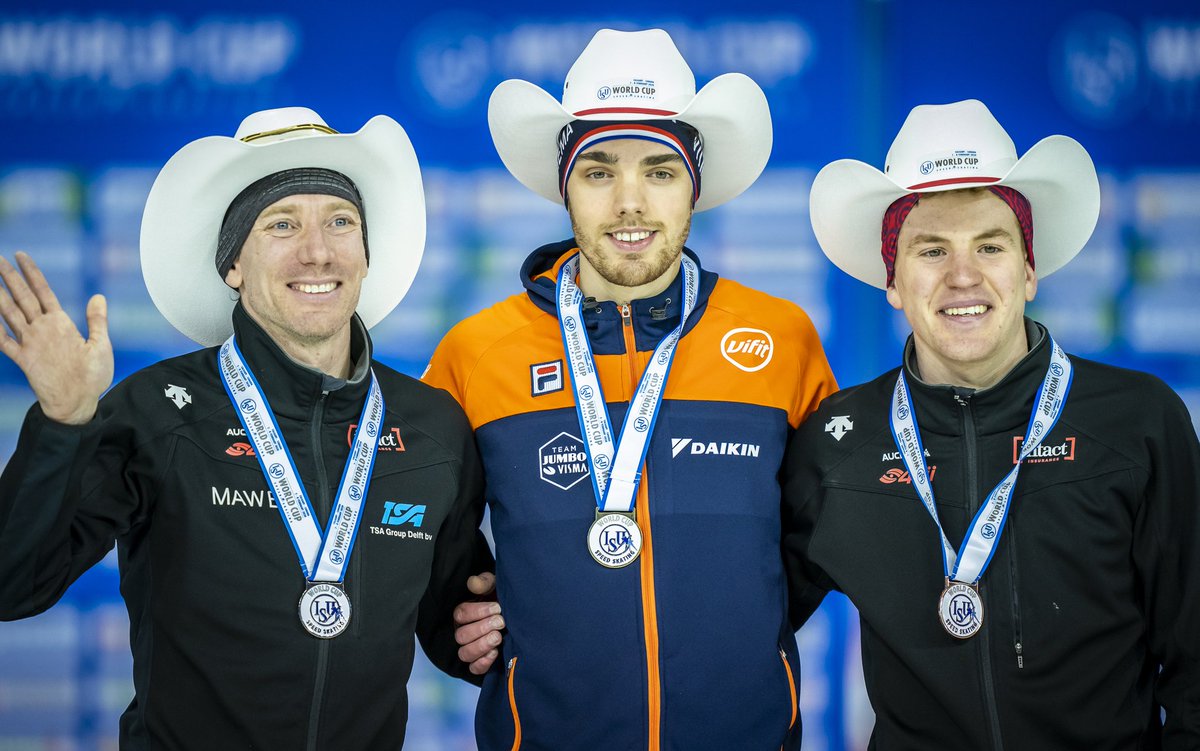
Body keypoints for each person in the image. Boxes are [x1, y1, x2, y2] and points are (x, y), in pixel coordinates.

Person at [0, 107, 489, 748]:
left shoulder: (431, 428)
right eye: (282, 225)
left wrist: (493, 630)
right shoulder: (157, 413)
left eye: (340, 223)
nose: (317, 251)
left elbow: (458, 624)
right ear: (232, 267)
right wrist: (64, 425)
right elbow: (13, 585)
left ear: (365, 256)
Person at [426, 28, 837, 750]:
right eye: (598, 172)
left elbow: (823, 533)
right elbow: (421, 535)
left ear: (693, 187)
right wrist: (462, 617)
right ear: (565, 189)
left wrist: (744, 628)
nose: (629, 203)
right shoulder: (476, 351)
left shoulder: (780, 337)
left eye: (659, 171)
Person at [784, 99, 1200, 748]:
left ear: (1029, 268)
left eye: (990, 244)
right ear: (892, 279)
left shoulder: (1138, 422)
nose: (963, 276)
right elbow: (741, 636)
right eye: (931, 249)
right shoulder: (838, 442)